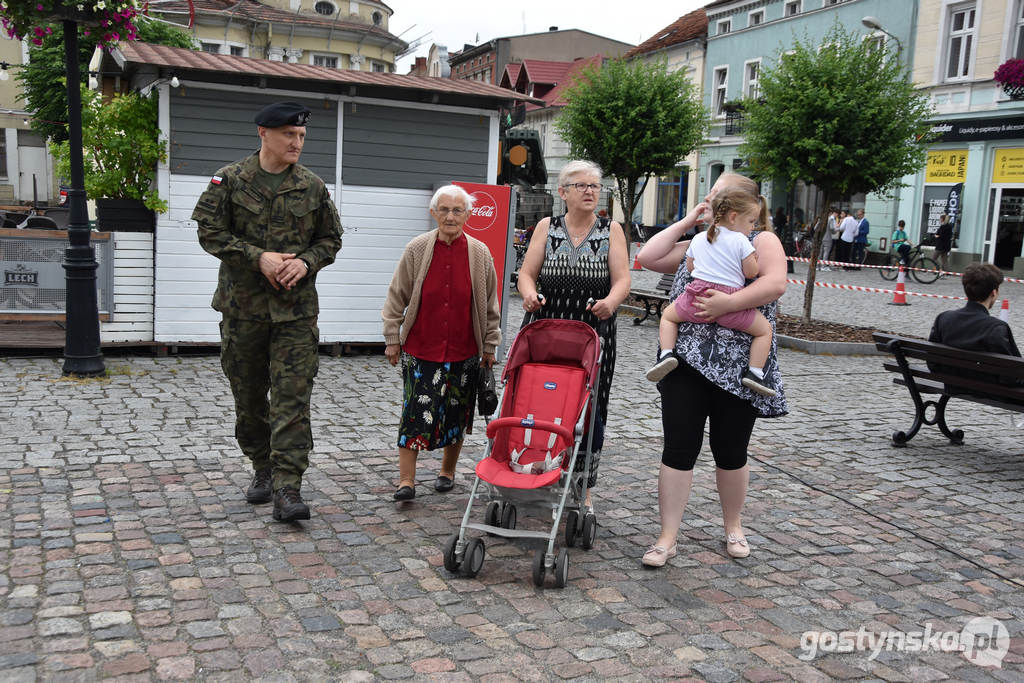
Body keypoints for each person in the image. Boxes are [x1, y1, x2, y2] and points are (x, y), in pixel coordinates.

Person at [194, 101, 343, 522]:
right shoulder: (230, 180)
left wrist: (307, 261)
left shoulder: (312, 186)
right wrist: (257, 257)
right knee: (249, 399)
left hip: (295, 314)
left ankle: (287, 488)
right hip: (243, 311)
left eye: (301, 137)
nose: (296, 143)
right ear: (264, 134)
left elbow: (330, 239)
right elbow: (209, 232)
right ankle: (261, 466)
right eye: (288, 136)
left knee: (292, 400)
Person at [636, 172, 787, 567]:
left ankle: (733, 526)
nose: (710, 197)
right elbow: (649, 257)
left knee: (731, 450)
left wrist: (725, 306)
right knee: (679, 447)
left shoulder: (760, 239)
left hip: (738, 367)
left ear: (739, 203)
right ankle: (667, 537)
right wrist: (690, 220)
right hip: (686, 361)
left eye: (717, 192)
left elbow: (774, 283)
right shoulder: (706, 239)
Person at [517, 160, 630, 510]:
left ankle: (583, 485)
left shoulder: (611, 229)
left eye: (595, 186)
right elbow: (526, 273)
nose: (590, 192)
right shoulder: (546, 227)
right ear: (563, 192)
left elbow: (623, 279)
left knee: (589, 408)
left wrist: (611, 302)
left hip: (594, 333)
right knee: (540, 400)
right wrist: (528, 294)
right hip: (548, 328)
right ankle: (531, 466)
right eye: (582, 186)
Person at [381, 185, 501, 501]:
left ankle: (447, 472)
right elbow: (397, 295)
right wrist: (393, 337)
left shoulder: (480, 253)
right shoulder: (418, 248)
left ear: (468, 215)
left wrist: (490, 345)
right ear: (433, 213)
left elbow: (490, 304)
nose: (450, 216)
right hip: (422, 349)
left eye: (457, 210)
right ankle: (406, 481)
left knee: (457, 414)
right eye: (444, 210)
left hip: (465, 351)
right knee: (415, 414)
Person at [645, 187, 776, 397]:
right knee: (764, 330)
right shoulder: (741, 241)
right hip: (729, 301)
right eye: (751, 221)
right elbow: (751, 272)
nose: (752, 228)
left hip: (696, 298)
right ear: (734, 217)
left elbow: (690, 267)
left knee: (669, 317)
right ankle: (755, 373)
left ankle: (667, 354)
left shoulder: (699, 239)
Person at [929, 262, 1019, 359]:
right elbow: (1014, 367)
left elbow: (932, 358)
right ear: (994, 293)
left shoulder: (943, 318)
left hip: (943, 374)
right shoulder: (996, 328)